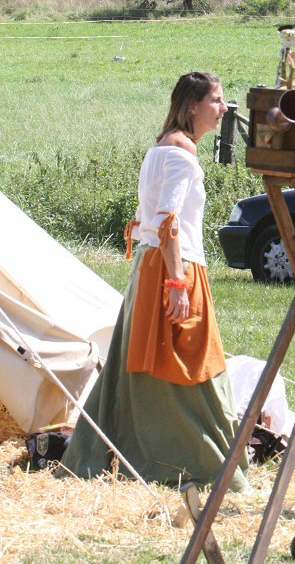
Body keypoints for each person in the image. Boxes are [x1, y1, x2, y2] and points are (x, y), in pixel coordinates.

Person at [60, 72, 249, 491]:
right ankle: (198, 461)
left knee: (148, 362)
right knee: (191, 361)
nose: (223, 108)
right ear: (193, 106)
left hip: (152, 266)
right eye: (217, 100)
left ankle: (120, 452)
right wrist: (178, 284)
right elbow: (167, 220)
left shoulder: (160, 149)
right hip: (173, 266)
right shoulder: (180, 155)